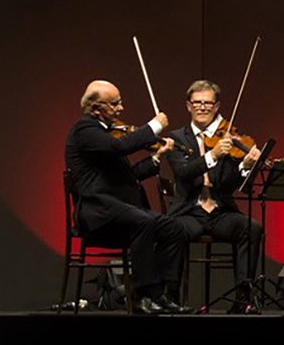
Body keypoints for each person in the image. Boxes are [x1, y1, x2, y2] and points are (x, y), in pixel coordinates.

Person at [64, 80, 188, 314]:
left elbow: (128, 176)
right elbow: (119, 147)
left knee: (173, 228)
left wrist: (156, 157)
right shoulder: (85, 129)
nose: (120, 108)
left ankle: (161, 294)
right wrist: (153, 126)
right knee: (144, 222)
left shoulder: (104, 134)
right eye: (114, 104)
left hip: (117, 210)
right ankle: (140, 296)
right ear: (96, 107)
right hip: (97, 213)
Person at [165, 80, 263, 312]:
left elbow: (227, 185)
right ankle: (170, 300)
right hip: (189, 211)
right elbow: (183, 172)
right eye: (197, 102)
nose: (202, 107)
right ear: (188, 105)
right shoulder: (177, 138)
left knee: (252, 228)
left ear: (217, 106)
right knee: (171, 230)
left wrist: (244, 167)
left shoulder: (228, 137)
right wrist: (213, 155)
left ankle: (243, 300)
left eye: (208, 103)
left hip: (220, 212)